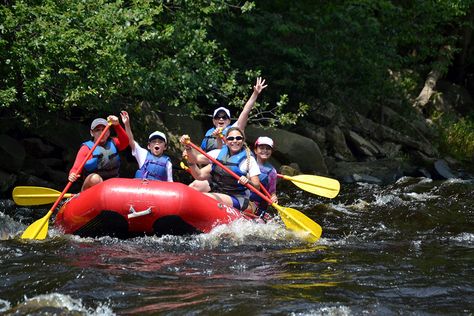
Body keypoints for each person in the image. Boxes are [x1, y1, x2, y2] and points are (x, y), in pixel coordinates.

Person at [180, 127, 260, 211]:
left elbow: (257, 186)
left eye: (238, 138)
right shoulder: (218, 153)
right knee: (194, 186)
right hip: (218, 189)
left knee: (206, 197)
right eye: (231, 138)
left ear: (243, 140)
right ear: (226, 141)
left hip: (236, 197)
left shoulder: (249, 160)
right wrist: (188, 147)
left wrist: (248, 181)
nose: (235, 141)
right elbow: (195, 158)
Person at [200, 77, 267, 152]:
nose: (221, 119)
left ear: (229, 121)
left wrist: (255, 94)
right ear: (213, 121)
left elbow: (245, 111)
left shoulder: (234, 129)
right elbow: (201, 152)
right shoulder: (208, 134)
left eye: (224, 117)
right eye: (217, 117)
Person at [68, 115, 129, 191]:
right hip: (92, 188)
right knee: (95, 179)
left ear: (108, 132)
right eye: (97, 130)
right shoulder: (86, 148)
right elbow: (75, 169)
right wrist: (72, 174)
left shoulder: (114, 142)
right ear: (92, 133)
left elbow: (125, 142)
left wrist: (117, 125)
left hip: (112, 186)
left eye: (104, 130)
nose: (101, 133)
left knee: (123, 182)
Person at [120, 110, 173, 182]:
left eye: (160, 142)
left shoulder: (168, 163)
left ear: (165, 147)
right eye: (154, 142)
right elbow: (131, 141)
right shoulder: (143, 154)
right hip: (142, 188)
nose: (157, 144)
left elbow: (170, 182)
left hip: (158, 191)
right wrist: (127, 124)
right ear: (149, 146)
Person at [250, 136, 278, 218]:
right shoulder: (248, 163)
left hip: (258, 206)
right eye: (261, 148)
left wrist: (274, 198)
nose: (265, 151)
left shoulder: (272, 172)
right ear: (255, 150)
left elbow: (272, 193)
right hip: (245, 199)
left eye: (268, 148)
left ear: (271, 151)